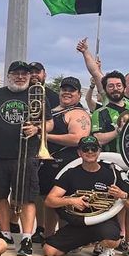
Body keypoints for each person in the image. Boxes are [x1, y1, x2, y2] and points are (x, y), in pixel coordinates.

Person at [0, 61, 47, 256]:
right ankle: (5, 233)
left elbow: (49, 123)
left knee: (27, 197)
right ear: (8, 75)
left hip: (26, 154)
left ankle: (26, 238)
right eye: (16, 73)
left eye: (24, 74)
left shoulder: (38, 94)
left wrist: (37, 129)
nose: (20, 77)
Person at [43, 136, 129, 256]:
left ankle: (107, 248)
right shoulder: (71, 173)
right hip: (79, 222)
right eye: (85, 149)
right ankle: (83, 242)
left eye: (94, 148)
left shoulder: (112, 173)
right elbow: (49, 200)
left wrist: (122, 195)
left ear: (99, 151)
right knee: (49, 251)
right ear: (79, 152)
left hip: (103, 222)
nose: (90, 152)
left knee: (111, 240)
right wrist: (71, 201)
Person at [91, 70, 129, 256]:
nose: (115, 88)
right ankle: (105, 240)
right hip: (110, 165)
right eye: (110, 86)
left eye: (118, 85)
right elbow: (97, 139)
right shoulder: (100, 113)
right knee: (108, 203)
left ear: (124, 86)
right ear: (105, 89)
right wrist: (118, 131)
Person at [34, 77, 90, 244]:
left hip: (67, 162)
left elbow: (78, 138)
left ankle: (67, 237)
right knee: (47, 199)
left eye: (71, 90)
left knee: (65, 202)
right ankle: (47, 234)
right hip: (47, 162)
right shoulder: (52, 110)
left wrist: (45, 135)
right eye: (64, 89)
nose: (67, 92)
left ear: (79, 94)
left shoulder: (78, 113)